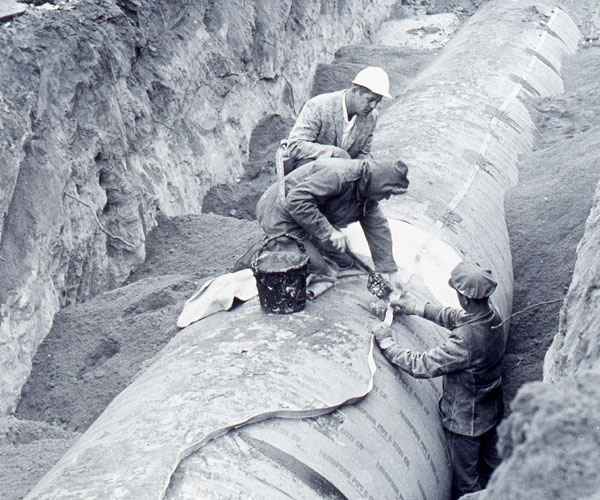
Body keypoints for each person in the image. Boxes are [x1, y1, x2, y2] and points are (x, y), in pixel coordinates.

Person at [373, 262, 507, 500]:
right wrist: (415, 307)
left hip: (465, 421)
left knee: (467, 483)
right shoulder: (490, 315)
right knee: (497, 464)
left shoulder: (464, 342)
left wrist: (387, 343)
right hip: (491, 408)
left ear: (465, 298)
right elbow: (457, 318)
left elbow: (421, 365)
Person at [255, 156, 408, 289]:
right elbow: (296, 200)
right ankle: (268, 249)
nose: (387, 197)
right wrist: (329, 231)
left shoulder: (368, 189)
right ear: (378, 183)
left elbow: (377, 228)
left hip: (305, 217)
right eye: (387, 192)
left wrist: (390, 272)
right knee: (320, 270)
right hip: (279, 211)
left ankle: (307, 244)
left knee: (346, 262)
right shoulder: (339, 175)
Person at [282, 66, 392, 173]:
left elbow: (364, 153)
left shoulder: (371, 117)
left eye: (377, 102)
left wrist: (358, 167)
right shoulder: (319, 106)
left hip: (344, 175)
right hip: (311, 171)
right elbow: (295, 145)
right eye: (370, 99)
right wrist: (333, 153)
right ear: (354, 90)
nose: (373, 106)